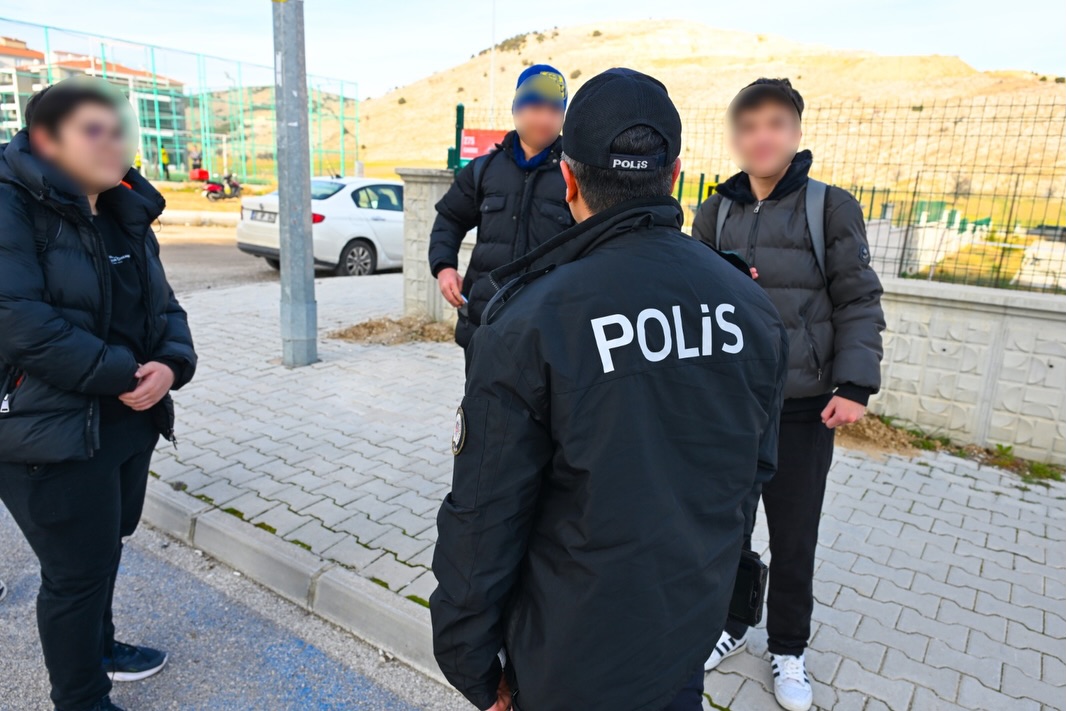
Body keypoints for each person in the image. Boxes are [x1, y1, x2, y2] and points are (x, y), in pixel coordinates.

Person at [431, 68, 790, 711]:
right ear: (675, 175)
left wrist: (471, 664)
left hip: (568, 659)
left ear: (567, 179)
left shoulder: (531, 320)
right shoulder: (752, 309)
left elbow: (485, 517)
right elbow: (750, 477)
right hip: (683, 636)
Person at [0, 78, 197, 711]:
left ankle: (103, 648)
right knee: (73, 577)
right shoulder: (11, 206)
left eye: (120, 130)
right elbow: (21, 321)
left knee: (104, 549)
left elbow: (164, 307)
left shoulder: (123, 209)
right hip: (47, 429)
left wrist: (170, 365)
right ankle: (80, 698)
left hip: (125, 420)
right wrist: (125, 373)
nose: (115, 143)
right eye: (95, 130)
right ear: (45, 139)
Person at [692, 78, 884, 711]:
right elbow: (695, 303)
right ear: (737, 136)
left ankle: (789, 647)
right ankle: (730, 624)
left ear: (795, 133)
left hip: (803, 409)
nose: (762, 136)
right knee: (728, 527)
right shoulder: (714, 210)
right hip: (732, 405)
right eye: (748, 126)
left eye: (775, 123)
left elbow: (858, 296)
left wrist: (855, 383)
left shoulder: (830, 207)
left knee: (794, 533)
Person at [428, 64, 574, 370]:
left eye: (554, 109)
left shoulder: (576, 175)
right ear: (517, 109)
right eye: (535, 106)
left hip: (549, 331)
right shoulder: (484, 170)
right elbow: (449, 218)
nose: (545, 118)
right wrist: (443, 267)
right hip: (484, 323)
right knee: (481, 415)